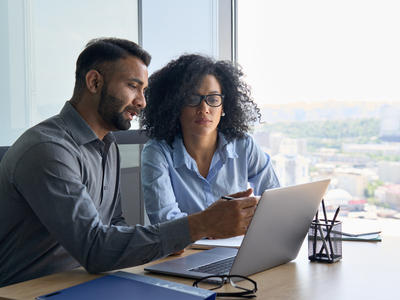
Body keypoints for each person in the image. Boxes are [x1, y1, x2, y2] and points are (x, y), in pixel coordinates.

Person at [0, 38, 258, 287]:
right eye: (133, 87)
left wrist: (165, 243)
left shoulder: (108, 145)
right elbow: (94, 248)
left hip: (87, 282)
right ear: (94, 82)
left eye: (144, 91)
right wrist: (201, 224)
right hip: (27, 290)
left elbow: (115, 226)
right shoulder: (48, 150)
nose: (142, 102)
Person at [140, 54, 280, 224]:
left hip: (239, 247)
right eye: (192, 98)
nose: (204, 108)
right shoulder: (157, 152)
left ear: (223, 107)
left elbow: (274, 200)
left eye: (213, 99)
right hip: (186, 250)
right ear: (175, 105)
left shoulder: (244, 145)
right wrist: (215, 224)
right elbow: (165, 222)